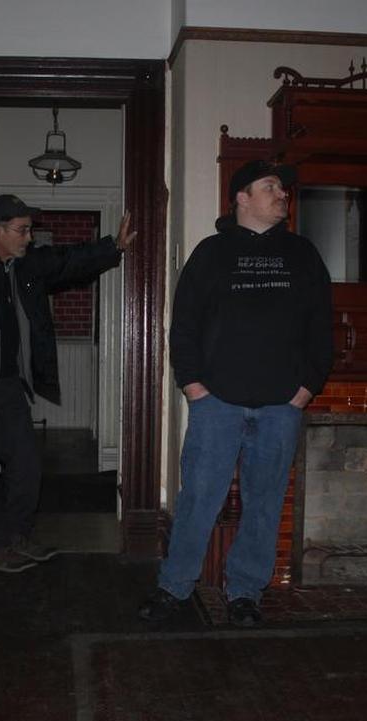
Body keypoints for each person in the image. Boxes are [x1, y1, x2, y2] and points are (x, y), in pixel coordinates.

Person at [138, 159, 333, 626]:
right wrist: (194, 386)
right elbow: (182, 327)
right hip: (217, 405)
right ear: (241, 197)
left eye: (282, 188)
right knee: (198, 500)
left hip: (280, 407)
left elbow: (321, 329)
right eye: (270, 187)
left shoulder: (303, 254)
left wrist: (305, 390)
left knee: (264, 504)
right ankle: (174, 588)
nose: (281, 193)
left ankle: (245, 593)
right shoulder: (210, 253)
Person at [0, 194, 135, 573]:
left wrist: (111, 247)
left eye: (29, 229)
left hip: (9, 387)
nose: (29, 237)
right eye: (22, 230)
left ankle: (17, 536)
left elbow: (67, 261)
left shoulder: (23, 265)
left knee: (27, 466)